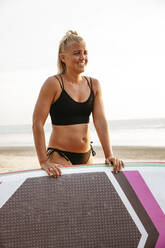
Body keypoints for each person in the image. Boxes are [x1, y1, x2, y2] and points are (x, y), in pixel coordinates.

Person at [32, 30, 124, 178]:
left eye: (85, 52)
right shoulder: (53, 84)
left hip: (87, 157)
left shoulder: (94, 84)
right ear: (63, 57)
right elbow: (37, 122)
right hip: (60, 157)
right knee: (65, 201)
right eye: (76, 53)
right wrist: (43, 161)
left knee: (87, 200)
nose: (82, 57)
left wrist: (109, 155)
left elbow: (100, 121)